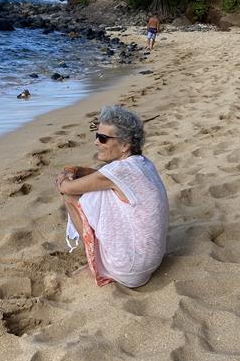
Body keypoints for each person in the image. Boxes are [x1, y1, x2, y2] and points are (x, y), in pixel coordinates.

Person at [55, 105, 168, 288]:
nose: (96, 142)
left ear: (125, 144)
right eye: (96, 136)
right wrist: (75, 170)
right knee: (100, 193)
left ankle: (94, 264)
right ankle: (101, 257)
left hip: (129, 269)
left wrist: (62, 178)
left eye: (103, 138)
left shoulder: (118, 171)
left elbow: (68, 187)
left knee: (70, 197)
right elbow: (100, 177)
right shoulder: (141, 164)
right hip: (150, 263)